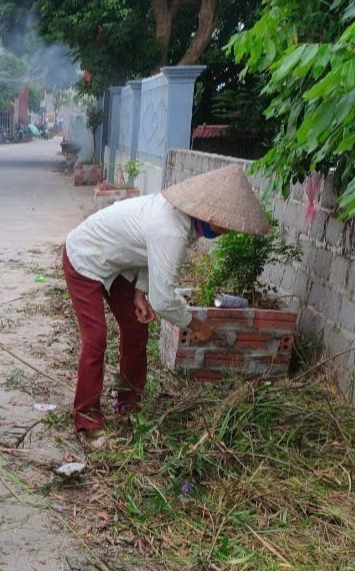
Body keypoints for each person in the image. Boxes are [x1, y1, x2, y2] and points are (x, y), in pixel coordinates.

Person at [62, 164, 271, 449]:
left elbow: (148, 253)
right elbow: (163, 300)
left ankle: (129, 403)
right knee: (96, 338)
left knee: (136, 327)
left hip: (118, 263)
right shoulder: (171, 228)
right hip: (84, 257)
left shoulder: (182, 220)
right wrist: (196, 325)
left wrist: (140, 290)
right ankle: (86, 418)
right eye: (226, 224)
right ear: (210, 214)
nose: (227, 231)